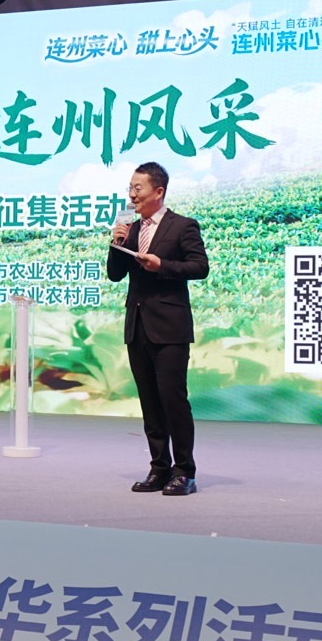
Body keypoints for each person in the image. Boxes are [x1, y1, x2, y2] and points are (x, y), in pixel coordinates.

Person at [106, 161, 209, 496]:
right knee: (150, 402)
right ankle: (159, 468)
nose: (132, 194)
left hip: (170, 327)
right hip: (137, 326)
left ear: (159, 191)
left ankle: (184, 472)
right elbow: (115, 275)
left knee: (173, 400)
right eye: (130, 188)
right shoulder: (131, 227)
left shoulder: (183, 226)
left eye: (138, 188)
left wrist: (162, 264)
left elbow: (200, 267)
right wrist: (116, 242)